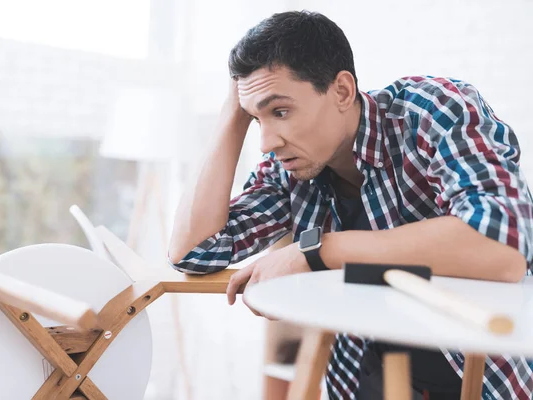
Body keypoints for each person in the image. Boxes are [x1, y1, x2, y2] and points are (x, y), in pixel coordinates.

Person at [168, 10, 533, 400]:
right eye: (258, 119)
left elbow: (503, 245)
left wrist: (316, 252)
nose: (267, 141)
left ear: (342, 91)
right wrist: (233, 114)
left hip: (487, 377)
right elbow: (194, 250)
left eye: (280, 111)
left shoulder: (429, 111)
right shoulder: (290, 167)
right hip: (368, 379)